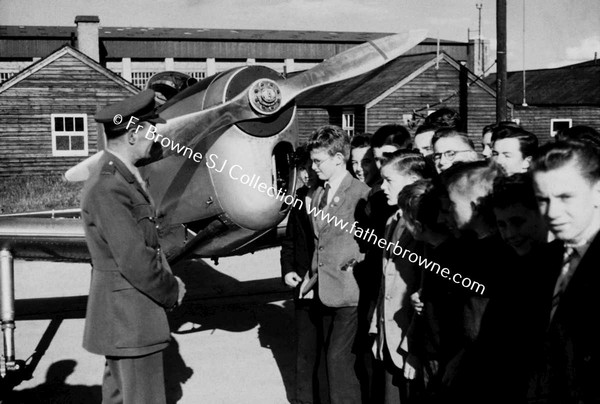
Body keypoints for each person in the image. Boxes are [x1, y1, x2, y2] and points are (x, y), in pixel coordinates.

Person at [81, 89, 186, 404]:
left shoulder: (118, 179)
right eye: (151, 133)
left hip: (126, 319)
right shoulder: (109, 187)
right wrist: (171, 289)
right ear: (132, 134)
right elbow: (135, 259)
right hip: (132, 319)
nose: (155, 140)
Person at [529, 140, 600, 404]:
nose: (553, 212)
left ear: (598, 192)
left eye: (565, 197)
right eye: (542, 200)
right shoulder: (540, 261)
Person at [306, 125, 371, 404]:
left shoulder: (361, 193)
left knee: (338, 360)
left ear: (337, 159)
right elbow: (320, 242)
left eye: (318, 161)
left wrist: (355, 265)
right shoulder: (320, 193)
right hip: (323, 289)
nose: (313, 166)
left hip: (350, 292)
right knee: (328, 360)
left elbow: (373, 241)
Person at [370, 151, 435, 403]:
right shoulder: (392, 220)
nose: (382, 187)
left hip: (411, 341)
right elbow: (385, 283)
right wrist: (378, 331)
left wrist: (415, 349)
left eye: (389, 181)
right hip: (390, 337)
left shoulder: (423, 228)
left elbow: (423, 292)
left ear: (413, 181)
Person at [281, 145, 326, 404]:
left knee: (327, 351)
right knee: (305, 351)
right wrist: (288, 271)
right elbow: (289, 242)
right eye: (301, 170)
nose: (306, 174)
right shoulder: (298, 198)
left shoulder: (329, 198)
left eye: (310, 168)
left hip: (327, 284)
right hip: (303, 286)